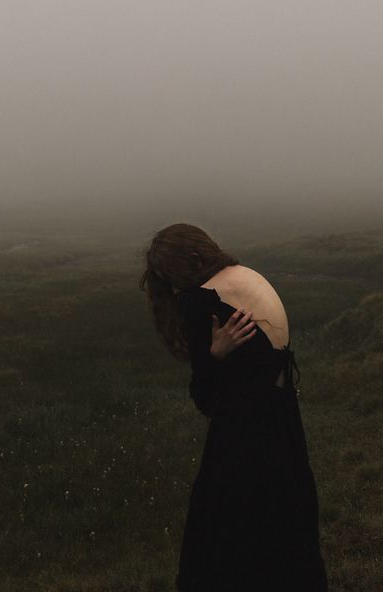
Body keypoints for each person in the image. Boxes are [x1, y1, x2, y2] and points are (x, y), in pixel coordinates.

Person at [140, 223, 328, 591]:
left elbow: (206, 398)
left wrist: (214, 354)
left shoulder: (201, 302)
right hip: (284, 424)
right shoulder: (248, 275)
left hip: (243, 438)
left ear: (192, 261)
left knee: (228, 543)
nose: (176, 289)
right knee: (284, 531)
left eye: (173, 277)